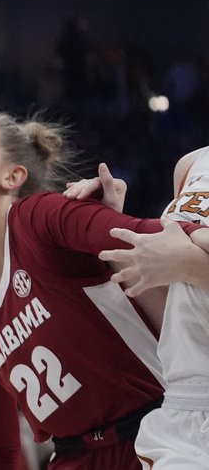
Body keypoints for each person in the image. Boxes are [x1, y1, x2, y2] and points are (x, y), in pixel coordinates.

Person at [0, 112, 209, 468]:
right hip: (71, 457)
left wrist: (191, 240)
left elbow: (156, 236)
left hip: (154, 434)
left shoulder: (41, 218)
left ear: (13, 176)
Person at [67, 149, 209, 468]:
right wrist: (112, 234)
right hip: (185, 405)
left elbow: (186, 266)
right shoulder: (191, 165)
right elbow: (176, 305)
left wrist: (191, 264)